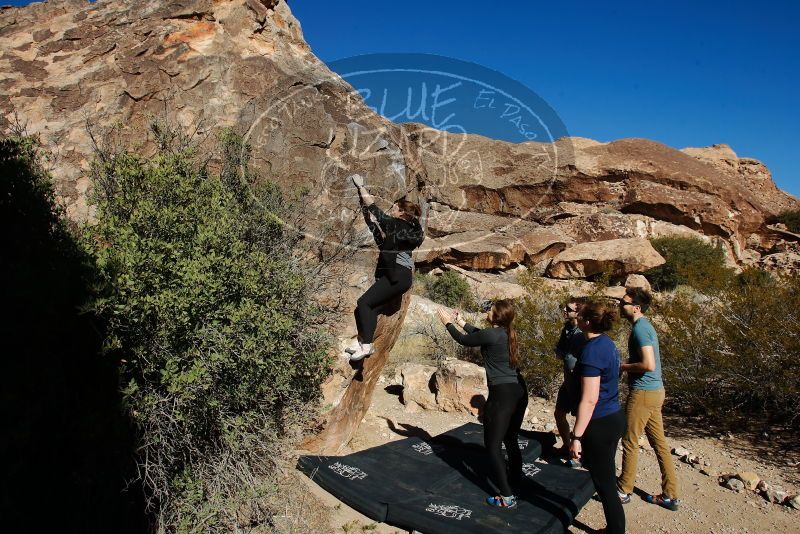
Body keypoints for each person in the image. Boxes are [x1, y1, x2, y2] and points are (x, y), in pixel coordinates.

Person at [437, 299, 527, 509]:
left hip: (502, 395)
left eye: (491, 309)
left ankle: (506, 497)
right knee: (510, 438)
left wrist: (448, 323)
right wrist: (462, 321)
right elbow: (480, 334)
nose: (487, 311)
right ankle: (515, 480)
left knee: (493, 446)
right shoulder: (506, 333)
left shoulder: (492, 334)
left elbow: (463, 340)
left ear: (496, 316)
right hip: (517, 391)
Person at [347, 174, 424, 361]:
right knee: (371, 307)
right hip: (403, 277)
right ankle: (364, 342)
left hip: (396, 275)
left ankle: (366, 347)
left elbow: (373, 208)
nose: (392, 210)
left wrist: (361, 187)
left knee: (363, 303)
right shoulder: (414, 231)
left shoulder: (394, 224)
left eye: (395, 208)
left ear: (402, 214)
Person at [617, 287, 680, 511]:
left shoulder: (641, 329)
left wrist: (622, 366)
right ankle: (670, 494)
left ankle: (624, 490)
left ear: (636, 307)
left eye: (623, 302)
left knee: (630, 441)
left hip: (643, 392)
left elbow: (648, 364)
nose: (619, 305)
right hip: (655, 391)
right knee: (659, 443)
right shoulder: (644, 326)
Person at [569, 300, 626, 534]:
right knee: (606, 479)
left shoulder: (592, 351)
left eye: (580, 315)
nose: (577, 318)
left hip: (600, 422)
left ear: (588, 321)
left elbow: (590, 399)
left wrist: (576, 436)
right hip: (613, 416)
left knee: (606, 487)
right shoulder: (607, 344)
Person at [554, 298, 585, 459]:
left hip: (579, 383)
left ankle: (579, 451)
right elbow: (559, 351)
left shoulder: (582, 333)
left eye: (569, 309)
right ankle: (567, 445)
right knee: (559, 413)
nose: (565, 310)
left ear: (578, 313)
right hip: (568, 380)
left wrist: (566, 356)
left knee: (582, 418)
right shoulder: (567, 328)